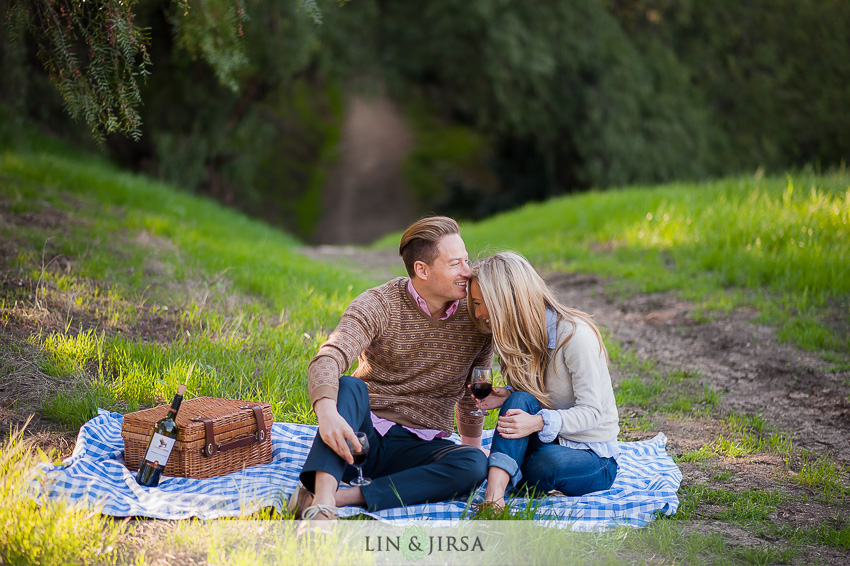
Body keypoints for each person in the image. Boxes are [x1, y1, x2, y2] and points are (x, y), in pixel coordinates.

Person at [288, 216, 492, 520]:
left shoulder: (476, 316)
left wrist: (471, 451)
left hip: (419, 449)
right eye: (455, 264)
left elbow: (472, 395)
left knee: (474, 464)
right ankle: (322, 506)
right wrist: (327, 413)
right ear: (422, 270)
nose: (467, 272)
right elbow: (328, 357)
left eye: (467, 260)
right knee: (350, 386)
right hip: (361, 439)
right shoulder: (379, 303)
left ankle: (339, 498)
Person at [467, 251, 619, 511]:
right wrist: (504, 395)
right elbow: (532, 396)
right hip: (549, 439)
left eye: (481, 303)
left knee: (545, 465)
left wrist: (538, 422)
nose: (479, 313)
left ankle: (502, 465)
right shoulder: (518, 337)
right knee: (518, 400)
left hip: (592, 454)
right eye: (475, 303)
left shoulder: (575, 337)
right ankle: (494, 497)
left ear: (506, 300)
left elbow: (593, 412)